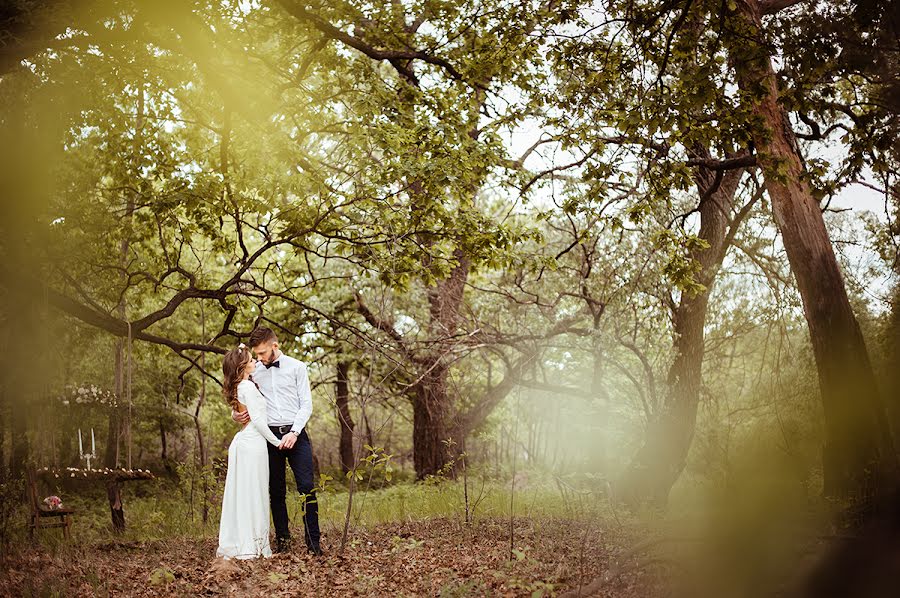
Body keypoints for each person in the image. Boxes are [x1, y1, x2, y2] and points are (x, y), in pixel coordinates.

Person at [233, 327, 322, 555]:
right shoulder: (254, 372)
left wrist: (294, 432)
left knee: (306, 488)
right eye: (257, 354)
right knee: (276, 491)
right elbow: (240, 395)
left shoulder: (297, 367)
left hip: (296, 434)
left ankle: (314, 544)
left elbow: (306, 405)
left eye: (262, 353)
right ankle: (283, 542)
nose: (260, 358)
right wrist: (234, 414)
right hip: (268, 438)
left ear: (275, 345)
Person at [216, 344, 286, 560]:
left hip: (244, 443)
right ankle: (254, 544)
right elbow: (259, 422)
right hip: (253, 444)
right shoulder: (246, 387)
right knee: (254, 493)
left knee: (245, 494)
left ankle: (246, 541)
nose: (255, 361)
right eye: (250, 359)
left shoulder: (242, 386)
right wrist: (277, 442)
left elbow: (245, 412)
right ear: (242, 366)